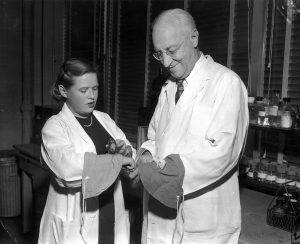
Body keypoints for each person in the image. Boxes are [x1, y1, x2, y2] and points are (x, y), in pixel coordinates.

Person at [132, 8, 249, 244]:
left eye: (171, 50)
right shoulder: (169, 87)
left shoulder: (226, 83)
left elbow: (222, 153)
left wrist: (159, 172)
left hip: (203, 222)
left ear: (194, 38)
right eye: (158, 54)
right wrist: (145, 156)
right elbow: (156, 136)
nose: (165, 62)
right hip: (161, 215)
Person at [38, 58, 136, 244]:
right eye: (83, 90)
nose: (92, 96)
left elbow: (130, 151)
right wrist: (116, 161)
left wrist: (126, 151)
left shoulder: (103, 119)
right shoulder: (54, 127)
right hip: (76, 218)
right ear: (63, 91)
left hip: (111, 209)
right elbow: (67, 171)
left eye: (95, 88)